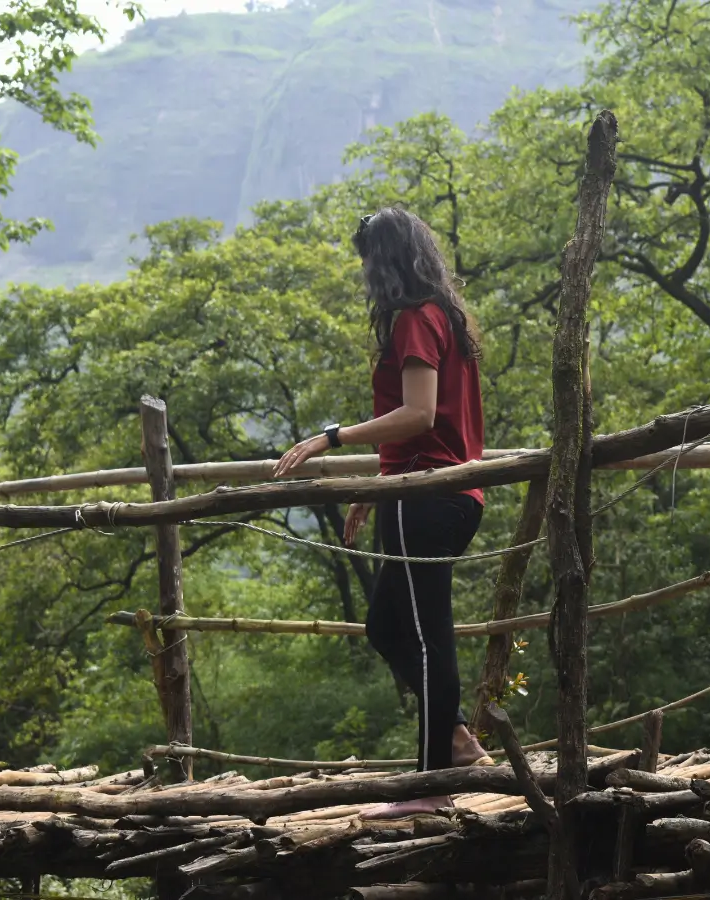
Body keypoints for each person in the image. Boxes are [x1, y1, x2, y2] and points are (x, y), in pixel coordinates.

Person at [272, 207, 490, 820]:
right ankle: (457, 738)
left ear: (385, 262)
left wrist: (331, 437)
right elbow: (436, 427)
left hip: (427, 500)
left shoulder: (416, 322)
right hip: (435, 493)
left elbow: (420, 416)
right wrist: (379, 485)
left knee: (424, 640)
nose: (365, 273)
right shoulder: (446, 316)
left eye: (368, 260)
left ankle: (431, 788)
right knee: (387, 629)